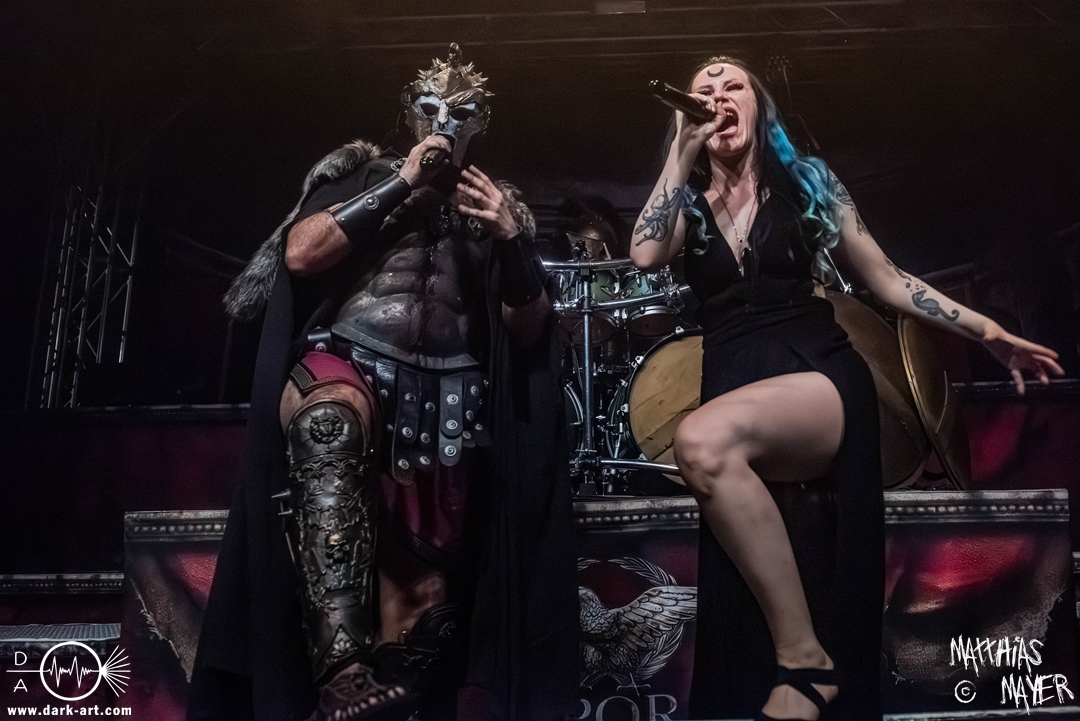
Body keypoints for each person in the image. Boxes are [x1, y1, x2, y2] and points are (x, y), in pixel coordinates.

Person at [630, 56, 1062, 721]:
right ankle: (784, 669)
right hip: (736, 378)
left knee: (700, 440)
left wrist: (986, 330)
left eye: (732, 85)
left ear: (759, 106)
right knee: (747, 542)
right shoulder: (684, 203)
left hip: (818, 370)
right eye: (703, 91)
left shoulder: (808, 180)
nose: (717, 96)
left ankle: (805, 658)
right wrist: (678, 154)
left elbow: (886, 279)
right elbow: (645, 254)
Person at [187, 44, 579, 721]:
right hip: (349, 365)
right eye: (431, 108)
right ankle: (342, 668)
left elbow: (527, 330)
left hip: (448, 407)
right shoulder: (362, 175)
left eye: (462, 112)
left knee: (423, 602)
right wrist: (401, 182)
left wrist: (512, 239)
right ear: (409, 112)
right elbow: (301, 253)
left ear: (482, 123)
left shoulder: (492, 204)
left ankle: (371, 704)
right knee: (329, 424)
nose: (445, 121)